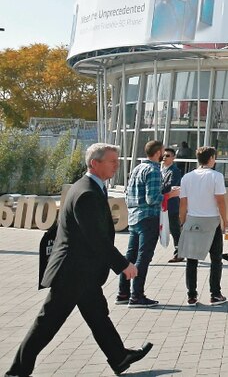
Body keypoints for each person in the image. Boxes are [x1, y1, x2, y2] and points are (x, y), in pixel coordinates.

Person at [6, 143, 153, 376]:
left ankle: (119, 356)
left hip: (82, 271)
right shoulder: (86, 193)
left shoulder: (89, 187)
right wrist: (124, 264)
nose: (117, 165)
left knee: (97, 315)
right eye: (112, 161)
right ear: (95, 163)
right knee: (47, 323)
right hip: (72, 272)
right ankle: (17, 371)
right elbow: (96, 238)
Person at [178, 146, 228, 306]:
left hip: (193, 220)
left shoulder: (187, 177)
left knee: (191, 259)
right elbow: (220, 200)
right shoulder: (216, 176)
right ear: (211, 159)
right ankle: (215, 294)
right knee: (216, 259)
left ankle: (191, 295)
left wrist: (182, 221)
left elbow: (183, 203)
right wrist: (225, 220)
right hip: (211, 220)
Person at [117, 140, 164, 308]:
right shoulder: (153, 170)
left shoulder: (137, 168)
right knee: (143, 257)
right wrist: (168, 195)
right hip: (148, 218)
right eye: (163, 152)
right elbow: (152, 199)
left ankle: (123, 292)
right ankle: (136, 296)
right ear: (158, 153)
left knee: (130, 256)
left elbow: (128, 193)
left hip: (134, 217)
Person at [160, 148, 184, 263]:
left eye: (167, 155)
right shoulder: (161, 170)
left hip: (171, 205)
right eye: (163, 155)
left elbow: (172, 186)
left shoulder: (175, 171)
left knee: (175, 229)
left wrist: (158, 188)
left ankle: (179, 252)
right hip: (162, 204)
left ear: (173, 157)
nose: (164, 157)